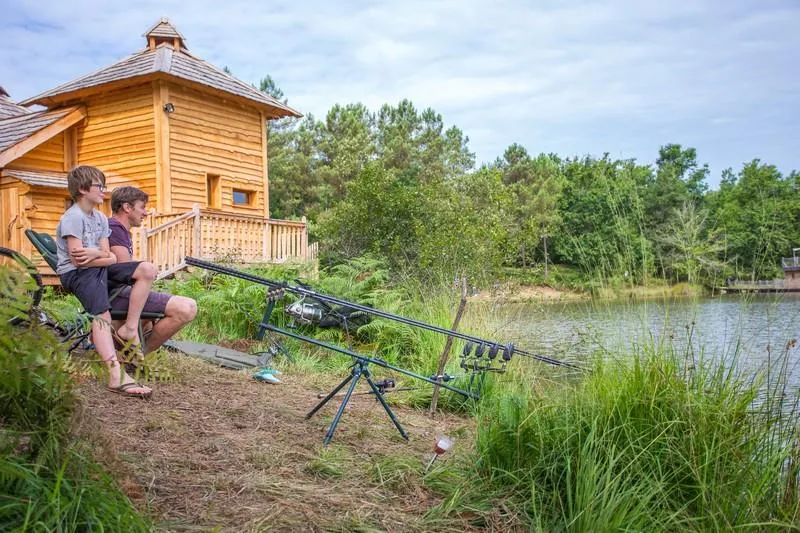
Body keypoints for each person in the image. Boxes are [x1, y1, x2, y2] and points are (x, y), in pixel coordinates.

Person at [56, 166, 153, 398]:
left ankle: (130, 328)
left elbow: (109, 256)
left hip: (99, 268)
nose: (104, 191)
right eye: (99, 186)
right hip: (77, 274)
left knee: (147, 270)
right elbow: (78, 260)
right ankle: (115, 375)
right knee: (103, 317)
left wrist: (96, 255)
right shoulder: (72, 217)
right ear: (82, 189)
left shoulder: (100, 218)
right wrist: (98, 256)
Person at [108, 186, 197, 353]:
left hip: (117, 293)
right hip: (115, 295)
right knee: (187, 308)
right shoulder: (114, 228)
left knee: (153, 311)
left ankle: (126, 350)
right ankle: (138, 357)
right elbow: (124, 273)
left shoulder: (118, 229)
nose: (146, 212)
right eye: (142, 207)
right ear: (127, 208)